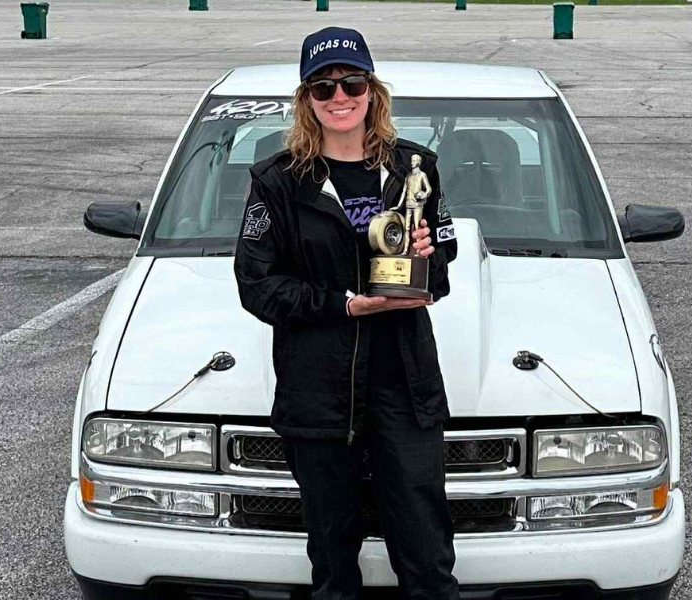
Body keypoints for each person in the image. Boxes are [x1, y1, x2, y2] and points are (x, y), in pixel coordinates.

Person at [234, 26, 459, 600]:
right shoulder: (278, 182)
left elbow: (441, 271)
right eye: (323, 87)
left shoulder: (415, 169)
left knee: (428, 558)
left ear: (372, 91)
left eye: (352, 83)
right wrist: (346, 305)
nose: (340, 97)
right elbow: (258, 287)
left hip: (405, 384)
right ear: (307, 99)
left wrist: (427, 260)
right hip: (318, 390)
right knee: (333, 564)